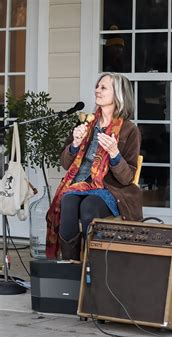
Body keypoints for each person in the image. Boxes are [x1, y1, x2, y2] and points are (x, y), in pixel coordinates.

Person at [45, 72, 143, 260]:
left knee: (89, 206)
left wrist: (114, 153)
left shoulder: (130, 130)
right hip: (78, 184)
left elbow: (127, 178)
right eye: (97, 86)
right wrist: (74, 144)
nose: (97, 90)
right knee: (68, 202)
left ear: (118, 94)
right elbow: (65, 164)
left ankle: (92, 267)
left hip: (110, 189)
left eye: (103, 87)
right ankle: (71, 265)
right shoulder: (85, 123)